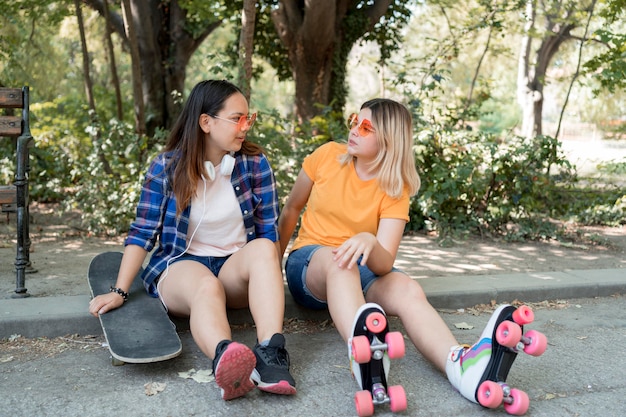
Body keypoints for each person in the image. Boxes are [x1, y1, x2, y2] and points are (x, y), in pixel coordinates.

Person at [277, 98, 528, 408]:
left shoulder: (394, 188)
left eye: (366, 126)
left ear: (389, 139)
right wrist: (272, 268)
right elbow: (291, 209)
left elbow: (382, 265)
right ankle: (364, 354)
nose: (354, 129)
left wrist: (369, 239)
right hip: (311, 262)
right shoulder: (327, 155)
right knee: (339, 263)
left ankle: (461, 367)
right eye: (355, 120)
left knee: (408, 288)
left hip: (362, 267)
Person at [89, 79, 296, 400]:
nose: (245, 127)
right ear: (206, 122)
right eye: (237, 118)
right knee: (205, 286)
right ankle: (228, 360)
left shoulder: (255, 164)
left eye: (248, 119)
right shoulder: (167, 167)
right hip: (181, 268)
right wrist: (119, 291)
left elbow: (268, 231)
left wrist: (265, 282)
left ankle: (270, 353)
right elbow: (143, 232)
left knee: (266, 247)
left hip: (234, 272)